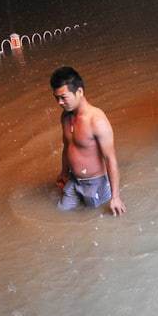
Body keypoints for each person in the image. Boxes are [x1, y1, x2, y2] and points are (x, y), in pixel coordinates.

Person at [50, 66, 126, 216]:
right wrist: (64, 173)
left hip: (96, 183)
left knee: (96, 217)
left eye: (63, 97)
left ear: (79, 92)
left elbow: (110, 159)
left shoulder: (96, 120)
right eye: (56, 98)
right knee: (60, 213)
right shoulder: (65, 117)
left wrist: (116, 197)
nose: (59, 102)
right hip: (74, 180)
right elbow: (67, 147)